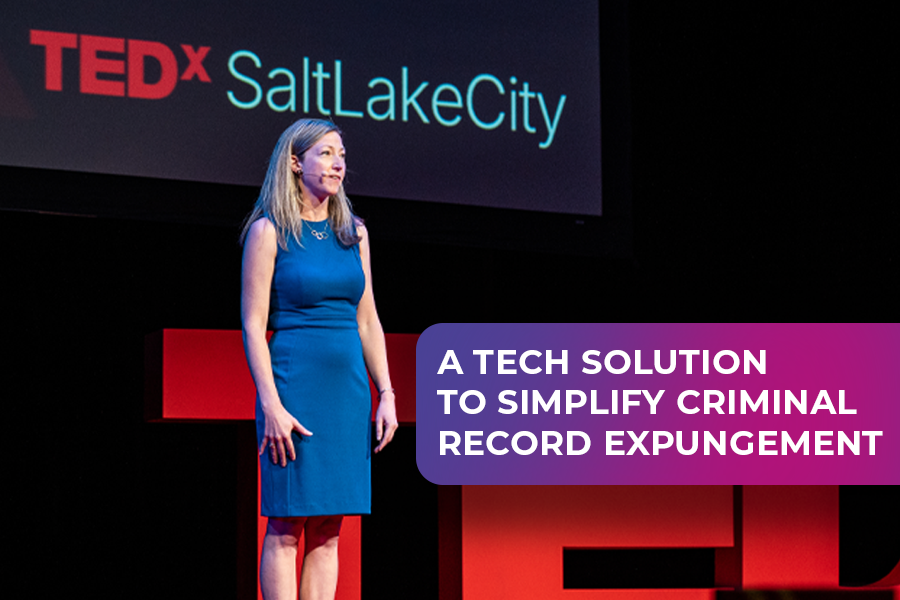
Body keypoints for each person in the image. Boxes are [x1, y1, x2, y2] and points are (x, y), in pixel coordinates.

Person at [240, 118, 398, 600]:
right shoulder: (269, 232)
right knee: (287, 523)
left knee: (330, 527)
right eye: (326, 153)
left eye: (341, 154)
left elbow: (367, 320)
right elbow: (252, 322)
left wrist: (386, 393)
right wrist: (270, 403)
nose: (338, 163)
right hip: (294, 390)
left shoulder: (355, 233)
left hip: (347, 393)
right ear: (295, 163)